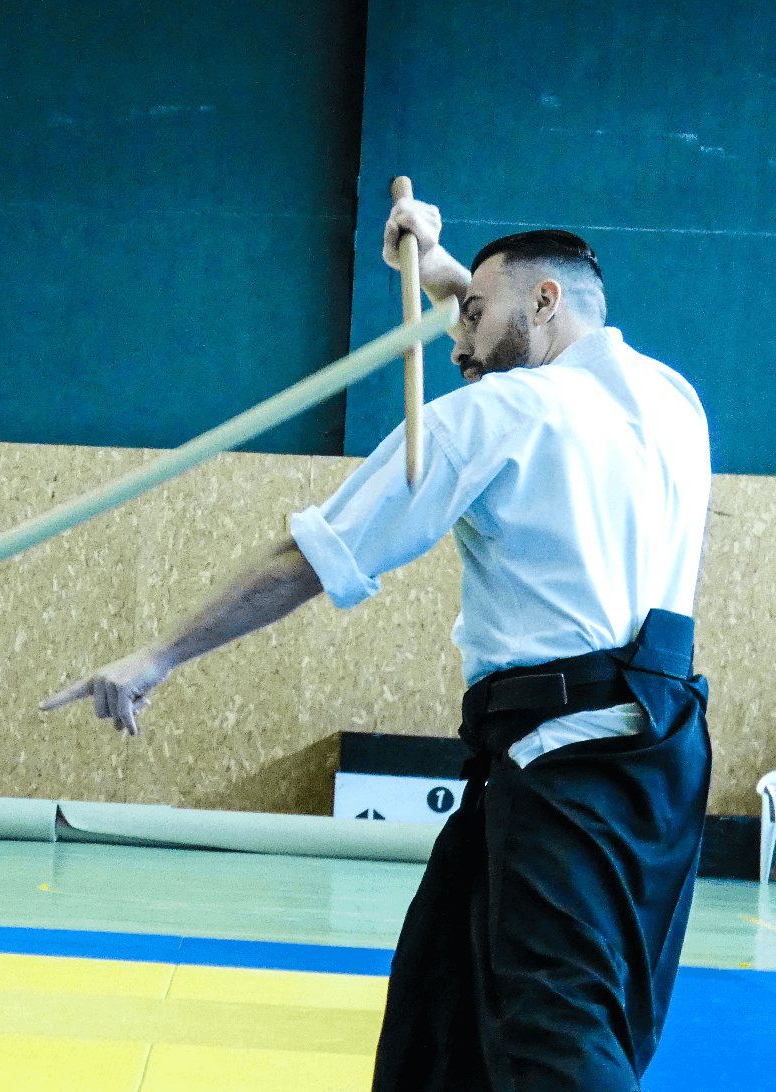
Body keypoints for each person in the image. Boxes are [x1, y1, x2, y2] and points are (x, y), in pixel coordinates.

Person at [43, 194, 711, 1092]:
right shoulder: (672, 400)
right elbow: (502, 332)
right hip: (659, 755)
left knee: (558, 1029)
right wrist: (432, 262)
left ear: (548, 301)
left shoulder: (496, 414)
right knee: (449, 1002)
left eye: (470, 319)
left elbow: (309, 556)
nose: (460, 345)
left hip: (564, 766)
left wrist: (157, 655)